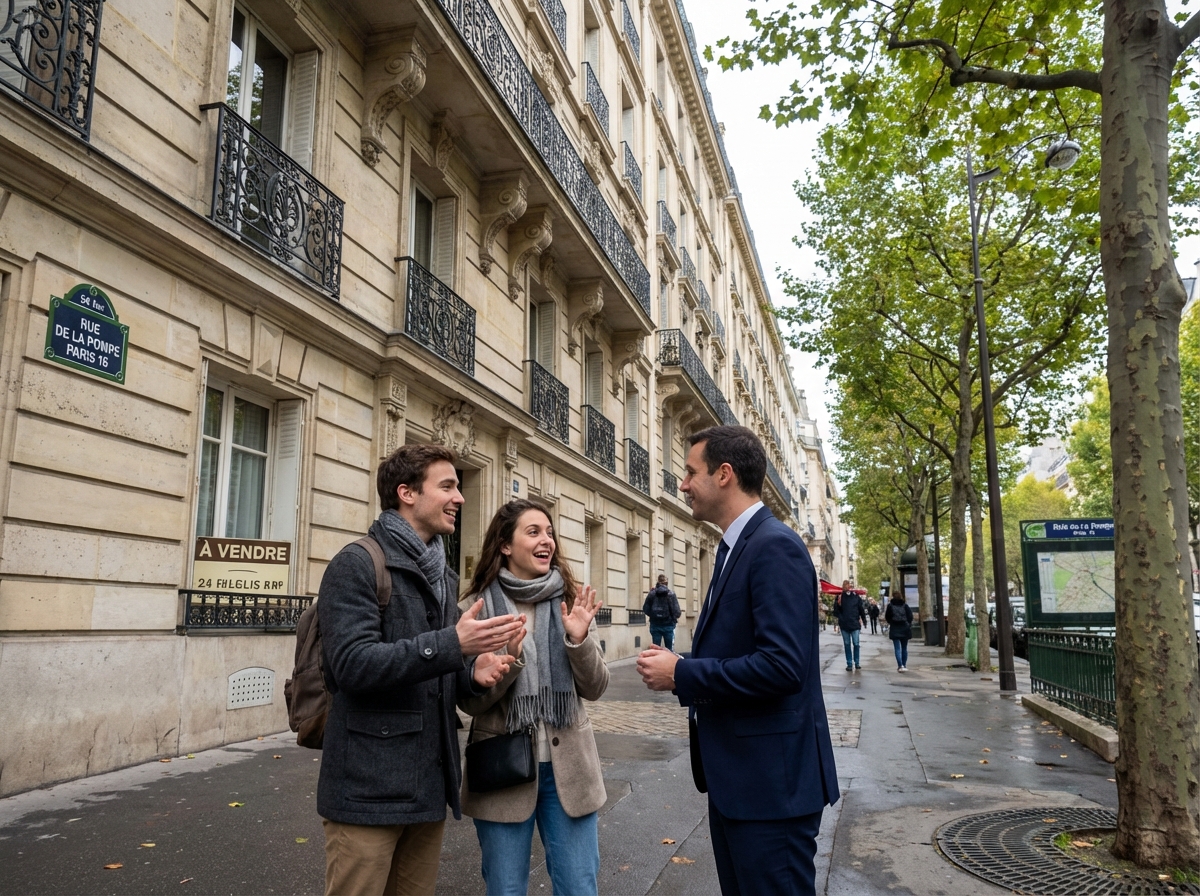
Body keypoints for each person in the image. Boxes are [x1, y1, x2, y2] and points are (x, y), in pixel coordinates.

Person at [636, 426, 838, 896]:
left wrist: (682, 673)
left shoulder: (775, 546)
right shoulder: (737, 547)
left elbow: (783, 666)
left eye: (690, 471)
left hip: (771, 791)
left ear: (724, 474)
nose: (682, 483)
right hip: (744, 785)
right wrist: (681, 662)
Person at [316, 444, 525, 896]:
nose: (460, 497)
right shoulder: (355, 563)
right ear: (406, 493)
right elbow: (351, 665)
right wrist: (452, 644)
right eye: (447, 486)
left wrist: (474, 672)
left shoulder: (442, 575)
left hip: (428, 785)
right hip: (367, 791)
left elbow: (438, 676)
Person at [459, 499, 609, 896]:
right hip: (502, 774)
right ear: (505, 545)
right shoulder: (474, 610)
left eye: (549, 532)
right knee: (505, 889)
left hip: (570, 774)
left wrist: (578, 642)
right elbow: (470, 702)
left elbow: (595, 687)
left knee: (579, 887)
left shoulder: (569, 603)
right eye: (534, 532)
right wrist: (509, 660)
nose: (547, 541)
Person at [833, 580, 867, 671]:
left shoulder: (856, 597)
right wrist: (838, 604)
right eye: (845, 585)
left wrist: (864, 620)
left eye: (848, 585)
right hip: (844, 624)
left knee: (856, 644)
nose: (847, 587)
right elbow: (835, 612)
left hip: (854, 624)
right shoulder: (839, 597)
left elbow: (861, 609)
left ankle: (857, 662)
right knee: (847, 644)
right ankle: (849, 663)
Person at [643, 574, 682, 651]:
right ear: (666, 583)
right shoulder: (671, 594)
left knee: (655, 649)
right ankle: (668, 662)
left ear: (658, 582)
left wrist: (654, 615)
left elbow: (645, 609)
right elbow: (677, 612)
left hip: (655, 625)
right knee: (669, 649)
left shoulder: (652, 594)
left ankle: (655, 662)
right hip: (668, 625)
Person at [886, 594, 914, 672]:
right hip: (904, 628)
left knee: (897, 648)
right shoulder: (905, 606)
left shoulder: (890, 606)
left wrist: (891, 622)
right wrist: (908, 624)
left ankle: (900, 665)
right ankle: (904, 665)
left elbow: (887, 617)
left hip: (895, 628)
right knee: (904, 648)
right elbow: (910, 616)